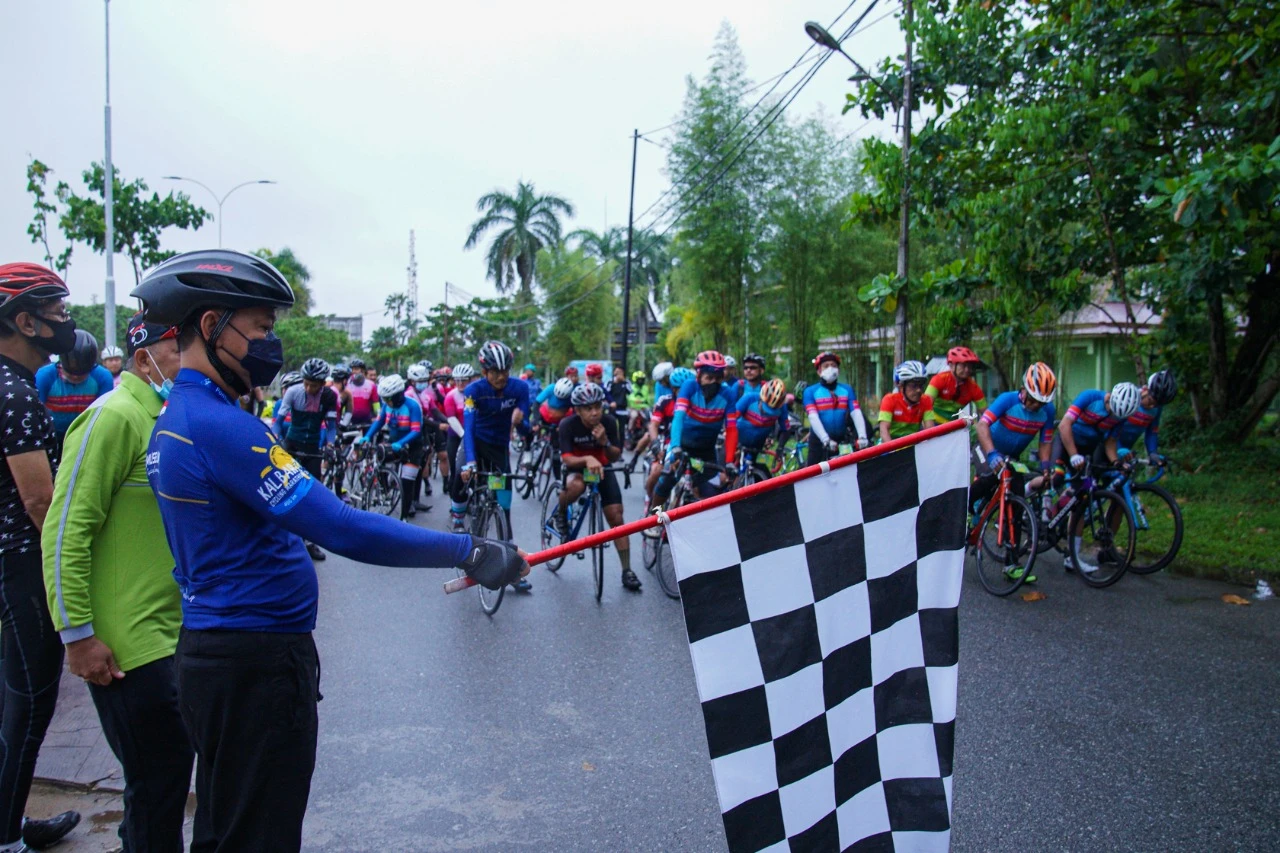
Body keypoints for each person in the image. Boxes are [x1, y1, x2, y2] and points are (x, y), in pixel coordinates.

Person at [131, 250, 526, 852]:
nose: (271, 344)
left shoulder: (182, 415)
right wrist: (469, 551)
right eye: (261, 329)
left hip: (225, 656)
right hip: (253, 665)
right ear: (213, 326)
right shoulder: (219, 426)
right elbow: (341, 526)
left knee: (227, 826)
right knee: (256, 836)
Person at [42, 312, 208, 852]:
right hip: (124, 647)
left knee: (164, 780)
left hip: (168, 633)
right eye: (179, 349)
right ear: (143, 359)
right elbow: (66, 527)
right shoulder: (111, 417)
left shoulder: (162, 414)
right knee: (156, 785)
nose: (190, 360)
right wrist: (76, 635)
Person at [0, 263, 83, 853]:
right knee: (28, 708)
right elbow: (39, 499)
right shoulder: (16, 393)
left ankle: (8, 821)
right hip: (22, 568)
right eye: (55, 310)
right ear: (24, 321)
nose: (65, 321)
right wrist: (68, 573)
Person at [452, 341, 532, 591]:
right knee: (460, 475)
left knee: (504, 504)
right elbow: (469, 424)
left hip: (499, 447)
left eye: (505, 371)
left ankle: (512, 567)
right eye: (495, 372)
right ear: (485, 372)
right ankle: (458, 516)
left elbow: (525, 421)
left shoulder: (520, 387)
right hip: (474, 441)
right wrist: (471, 463)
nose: (500, 377)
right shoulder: (473, 391)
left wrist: (520, 421)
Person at [971, 362, 1058, 584]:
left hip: (1012, 459)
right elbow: (982, 426)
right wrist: (991, 454)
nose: (1035, 405)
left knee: (1016, 505)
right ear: (1024, 390)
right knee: (990, 477)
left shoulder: (1047, 411)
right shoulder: (1007, 400)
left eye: (1041, 402)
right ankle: (966, 509)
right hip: (986, 448)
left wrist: (1047, 466)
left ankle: (1011, 564)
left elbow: (1045, 441)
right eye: (1032, 399)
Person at [555, 383, 641, 591]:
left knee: (616, 516)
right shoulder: (567, 424)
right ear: (577, 410)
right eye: (588, 408)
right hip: (577, 467)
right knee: (575, 487)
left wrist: (603, 442)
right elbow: (566, 459)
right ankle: (561, 512)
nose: (595, 412)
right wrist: (586, 459)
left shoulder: (609, 421)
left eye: (597, 407)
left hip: (602, 468)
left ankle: (627, 570)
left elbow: (616, 455)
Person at [1052, 380, 1141, 573]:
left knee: (1081, 500)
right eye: (1113, 410)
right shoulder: (1090, 397)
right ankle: (1041, 507)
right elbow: (1065, 425)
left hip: (1088, 451)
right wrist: (1074, 454)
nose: (1114, 416)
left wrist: (1116, 462)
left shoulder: (1121, 416)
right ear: (1110, 398)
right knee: (1056, 479)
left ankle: (1071, 558)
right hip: (1067, 442)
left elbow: (1110, 442)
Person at [653, 352, 738, 507]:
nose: (713, 383)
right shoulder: (689, 386)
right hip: (682, 445)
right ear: (699, 376)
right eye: (709, 378)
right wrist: (676, 446)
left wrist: (730, 462)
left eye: (718, 378)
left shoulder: (728, 394)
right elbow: (678, 417)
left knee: (713, 496)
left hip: (706, 451)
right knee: (666, 480)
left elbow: (732, 428)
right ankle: (652, 519)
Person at [276, 358, 339, 559]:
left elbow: (331, 426)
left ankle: (311, 541)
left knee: (313, 495)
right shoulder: (294, 392)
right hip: (292, 444)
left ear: (322, 384)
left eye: (313, 384)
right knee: (284, 490)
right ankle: (282, 536)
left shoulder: (329, 396)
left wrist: (330, 445)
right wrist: (276, 439)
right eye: (306, 383)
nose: (308, 387)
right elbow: (278, 422)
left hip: (312, 446)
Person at [355, 374, 423, 522]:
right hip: (394, 442)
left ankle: (404, 515)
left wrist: (402, 442)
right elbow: (379, 422)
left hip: (412, 446)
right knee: (379, 463)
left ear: (398, 395)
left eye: (388, 398)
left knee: (407, 481)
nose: (386, 402)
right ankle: (385, 491)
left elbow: (416, 431)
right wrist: (367, 435)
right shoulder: (386, 406)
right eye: (384, 399)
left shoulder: (412, 406)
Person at [35, 328, 114, 452]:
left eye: (83, 374)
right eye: (71, 373)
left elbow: (104, 417)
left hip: (87, 438)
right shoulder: (45, 376)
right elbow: (36, 414)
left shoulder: (103, 377)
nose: (76, 377)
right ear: (61, 364)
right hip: (52, 437)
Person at [803, 351, 868, 465]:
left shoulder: (847, 390)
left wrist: (862, 436)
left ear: (838, 370)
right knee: (813, 477)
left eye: (833, 365)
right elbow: (813, 417)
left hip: (842, 440)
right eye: (826, 366)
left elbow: (856, 412)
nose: (830, 368)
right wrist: (825, 439)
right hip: (819, 441)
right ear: (819, 371)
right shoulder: (810, 391)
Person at [643, 366, 690, 509]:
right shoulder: (665, 401)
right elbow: (653, 425)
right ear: (674, 389)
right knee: (657, 471)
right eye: (680, 389)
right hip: (667, 443)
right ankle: (651, 505)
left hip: (689, 445)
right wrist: (656, 442)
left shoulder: (696, 403)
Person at [1114, 370, 1176, 466]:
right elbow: (1111, 427)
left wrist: (1153, 453)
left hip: (1125, 452)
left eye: (1156, 405)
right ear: (1146, 389)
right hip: (1107, 445)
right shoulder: (1129, 397)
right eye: (1150, 401)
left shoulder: (1157, 409)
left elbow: (1152, 432)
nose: (1152, 406)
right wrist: (1118, 447)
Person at [877, 360, 940, 442]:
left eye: (921, 385)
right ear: (901, 386)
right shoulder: (889, 399)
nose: (918, 390)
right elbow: (884, 430)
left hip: (912, 445)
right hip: (890, 444)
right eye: (913, 386)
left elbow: (930, 431)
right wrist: (893, 452)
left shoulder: (925, 400)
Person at [735, 378, 787, 475]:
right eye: (765, 408)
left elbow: (786, 429)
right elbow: (730, 419)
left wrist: (780, 447)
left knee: (752, 470)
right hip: (738, 438)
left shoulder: (782, 408)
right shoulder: (749, 398)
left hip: (757, 443)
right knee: (725, 472)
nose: (766, 414)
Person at [442, 364, 475, 504]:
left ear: (470, 379)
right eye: (457, 380)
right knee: (457, 469)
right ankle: (455, 499)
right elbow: (451, 418)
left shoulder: (475, 393)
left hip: (473, 435)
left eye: (464, 380)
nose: (460, 383)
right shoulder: (450, 396)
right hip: (456, 436)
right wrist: (464, 435)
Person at [926, 346, 986, 420]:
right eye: (963, 365)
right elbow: (925, 406)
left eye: (970, 366)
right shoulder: (939, 379)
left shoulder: (973, 387)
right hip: (933, 422)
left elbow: (985, 413)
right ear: (951, 365)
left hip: (953, 425)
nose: (967, 370)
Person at [345, 358, 379, 428]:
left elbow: (375, 403)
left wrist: (378, 416)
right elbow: (343, 402)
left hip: (367, 420)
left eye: (356, 369)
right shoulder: (346, 384)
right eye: (352, 369)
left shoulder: (371, 385)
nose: (354, 371)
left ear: (363, 370)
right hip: (350, 420)